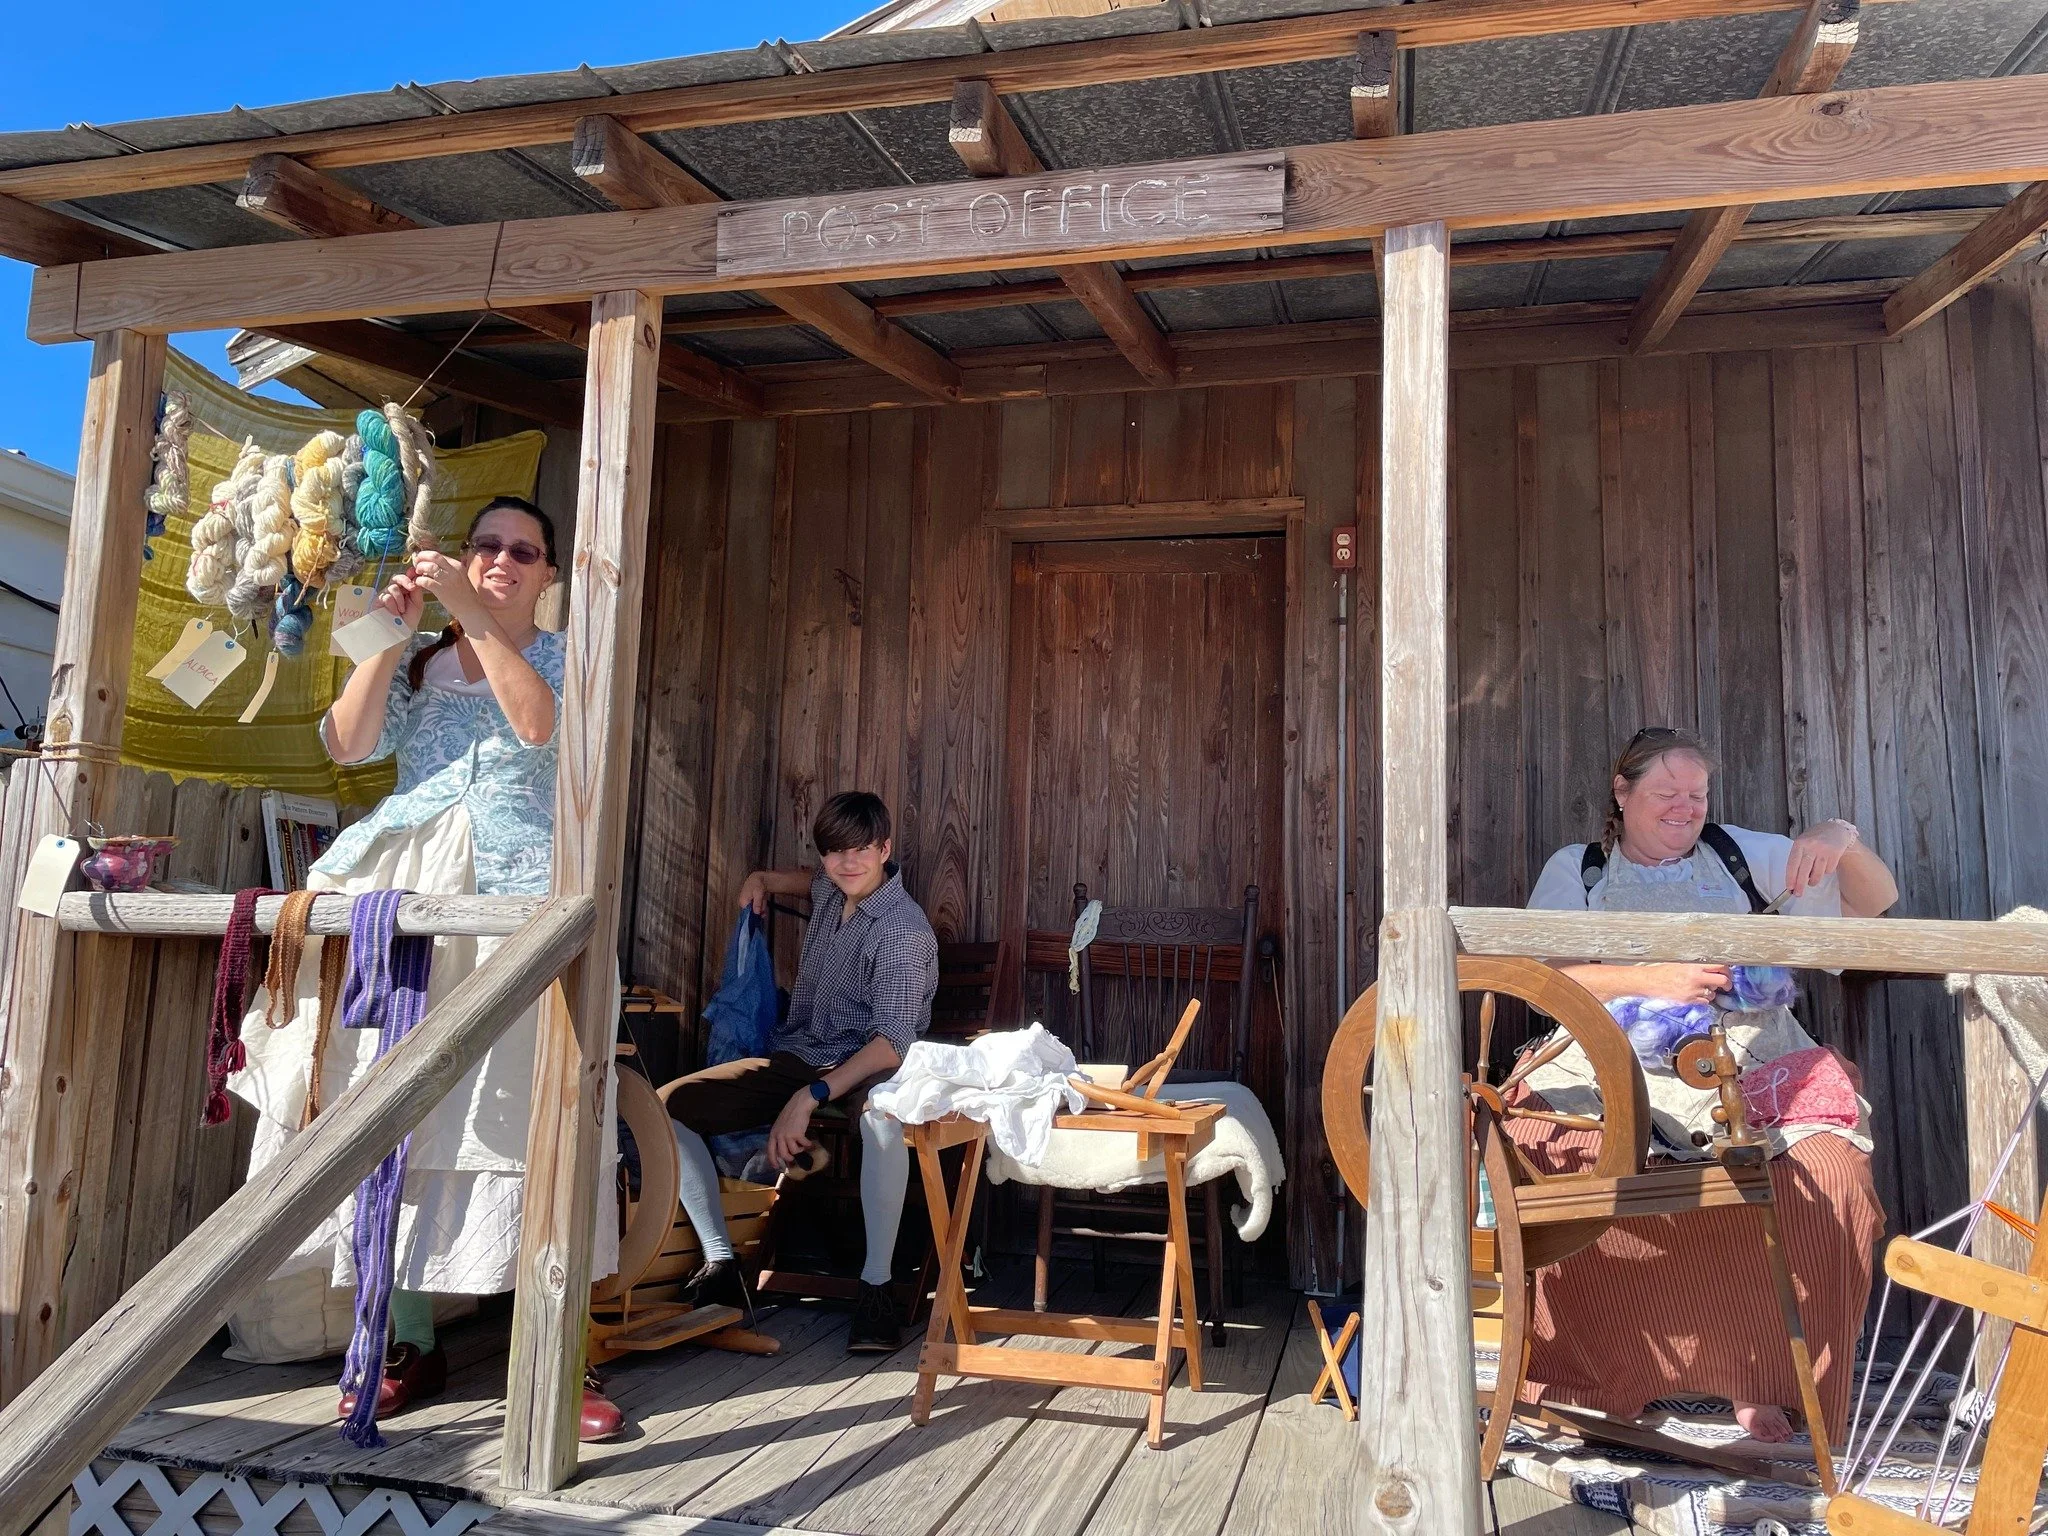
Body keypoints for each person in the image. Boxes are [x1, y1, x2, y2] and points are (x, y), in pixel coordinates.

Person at [231, 496, 623, 1440]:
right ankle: (408, 1340)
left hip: (519, 896)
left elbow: (537, 730)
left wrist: (478, 620)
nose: (498, 560)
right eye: (484, 545)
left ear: (548, 573)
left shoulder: (568, 657)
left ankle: (559, 1356)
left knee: (531, 1116)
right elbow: (351, 745)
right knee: (388, 1103)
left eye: (521, 552)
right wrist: (391, 631)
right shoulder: (419, 659)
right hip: (406, 893)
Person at [1513, 726, 1899, 1444]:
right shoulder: (1581, 869)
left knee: (1828, 1178)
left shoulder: (1736, 852)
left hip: (1746, 1056)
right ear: (1622, 795)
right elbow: (1543, 977)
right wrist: (1651, 977)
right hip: (1612, 1056)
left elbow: (1876, 902)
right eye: (1666, 793)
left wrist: (1839, 837)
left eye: (1696, 794)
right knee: (1542, 1153)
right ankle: (1587, 1379)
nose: (1685, 808)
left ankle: (1767, 1383)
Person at [665, 791, 939, 1354]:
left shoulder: (902, 931)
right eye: (835, 852)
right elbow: (802, 879)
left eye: (861, 850)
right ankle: (723, 1262)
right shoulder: (829, 885)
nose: (847, 863)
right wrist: (760, 878)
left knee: (884, 1121)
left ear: (885, 849)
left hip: (869, 1067)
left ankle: (878, 1288)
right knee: (670, 1106)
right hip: (798, 1054)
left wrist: (810, 1096)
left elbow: (893, 1044)